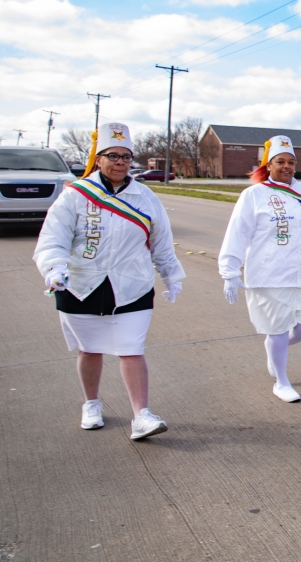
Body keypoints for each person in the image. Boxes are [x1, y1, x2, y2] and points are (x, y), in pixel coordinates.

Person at [33, 122, 185, 440]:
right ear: (98, 158)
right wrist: (54, 268)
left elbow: (161, 241)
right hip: (79, 285)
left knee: (132, 349)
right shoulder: (75, 196)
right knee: (90, 350)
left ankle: (141, 416)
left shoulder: (145, 197)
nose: (120, 162)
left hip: (132, 286)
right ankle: (92, 403)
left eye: (127, 157)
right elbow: (53, 238)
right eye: (113, 155)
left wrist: (171, 274)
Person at [219, 135, 301, 403]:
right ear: (268, 165)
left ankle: (275, 348)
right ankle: (281, 381)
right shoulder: (254, 195)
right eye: (280, 161)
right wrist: (230, 270)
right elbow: (237, 233)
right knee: (278, 329)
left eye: (291, 162)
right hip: (269, 274)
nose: (286, 167)